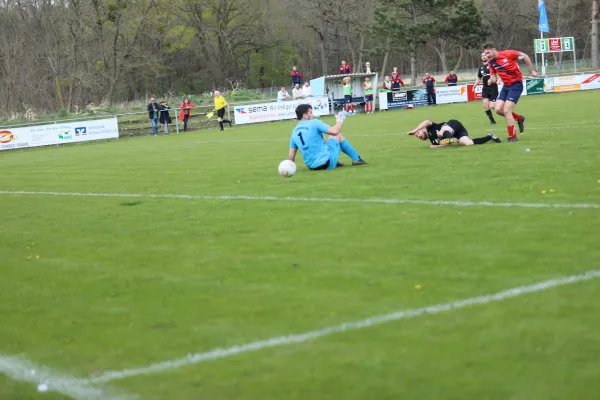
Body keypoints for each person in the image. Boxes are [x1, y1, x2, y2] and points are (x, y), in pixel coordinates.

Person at [483, 43, 537, 142]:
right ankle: (519, 118)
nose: (487, 55)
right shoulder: (491, 63)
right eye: (485, 54)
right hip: (506, 86)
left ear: (494, 49)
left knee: (507, 110)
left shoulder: (508, 53)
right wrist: (491, 80)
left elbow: (525, 56)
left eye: (488, 52)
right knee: (498, 110)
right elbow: (493, 77)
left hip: (516, 85)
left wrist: (532, 70)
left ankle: (513, 137)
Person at [287, 104, 367, 170]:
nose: (312, 115)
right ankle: (356, 159)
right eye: (310, 113)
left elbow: (291, 156)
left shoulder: (294, 132)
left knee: (322, 138)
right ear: (305, 115)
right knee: (337, 135)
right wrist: (340, 119)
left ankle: (334, 160)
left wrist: (288, 169)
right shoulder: (314, 123)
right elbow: (335, 131)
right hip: (326, 163)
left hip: (312, 167)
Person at [407, 119, 502, 148]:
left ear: (422, 129)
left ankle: (451, 137)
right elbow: (446, 144)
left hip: (453, 125)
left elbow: (426, 121)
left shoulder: (430, 127)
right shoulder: (433, 142)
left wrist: (414, 130)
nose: (418, 135)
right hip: (459, 132)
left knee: (441, 132)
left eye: (418, 133)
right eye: (418, 137)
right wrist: (438, 146)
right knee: (467, 143)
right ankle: (490, 136)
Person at [473, 53, 497, 125]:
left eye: (484, 56)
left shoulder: (492, 64)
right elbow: (478, 78)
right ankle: (492, 121)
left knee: (492, 106)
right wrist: (474, 85)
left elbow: (497, 74)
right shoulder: (481, 67)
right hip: (485, 88)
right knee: (485, 105)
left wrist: (497, 80)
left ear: (488, 56)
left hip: (493, 88)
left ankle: (505, 108)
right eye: (482, 56)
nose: (483, 57)